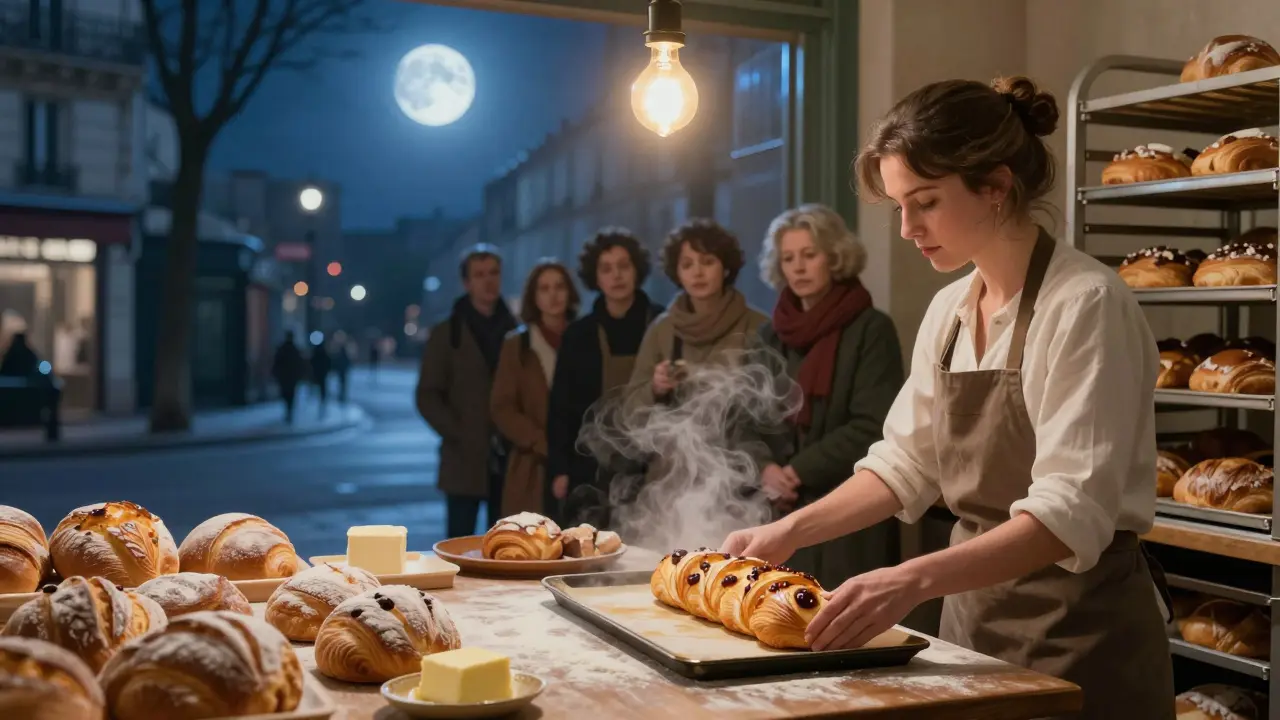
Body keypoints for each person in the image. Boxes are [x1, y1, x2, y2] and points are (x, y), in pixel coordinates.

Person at [721, 76, 1174, 719]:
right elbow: (905, 464)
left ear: (995, 186)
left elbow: (1066, 515)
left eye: (925, 202)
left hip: (1081, 642)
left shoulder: (1085, 306)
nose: (907, 228)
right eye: (900, 205)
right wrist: (787, 531)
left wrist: (909, 580)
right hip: (971, 636)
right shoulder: (951, 312)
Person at [752, 204, 905, 588]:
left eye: (809, 255)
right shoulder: (769, 337)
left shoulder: (871, 328)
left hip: (847, 511)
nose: (798, 268)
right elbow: (745, 420)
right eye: (788, 258)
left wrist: (797, 471)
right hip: (776, 509)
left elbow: (873, 424)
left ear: (834, 257)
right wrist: (766, 468)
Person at [546, 229, 657, 527]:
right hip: (590, 466)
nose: (616, 275)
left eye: (624, 266)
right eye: (606, 268)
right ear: (595, 277)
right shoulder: (578, 335)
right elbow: (561, 407)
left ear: (637, 270)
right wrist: (560, 468)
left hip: (652, 464)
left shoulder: (660, 323)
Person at [416, 244, 518, 538]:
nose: (489, 281)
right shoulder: (447, 333)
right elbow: (427, 394)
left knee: (508, 545)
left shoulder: (516, 329)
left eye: (494, 273)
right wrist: (458, 432)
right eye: (480, 274)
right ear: (467, 282)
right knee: (459, 545)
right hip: (463, 459)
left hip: (508, 458)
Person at [491, 261, 580, 516]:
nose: (553, 295)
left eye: (559, 287)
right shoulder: (518, 344)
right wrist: (538, 440)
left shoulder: (583, 336)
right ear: (534, 296)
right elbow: (502, 406)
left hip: (577, 458)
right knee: (533, 542)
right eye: (544, 288)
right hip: (532, 461)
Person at [270, 331, 305, 423]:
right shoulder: (293, 349)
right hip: (289, 376)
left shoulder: (284, 349)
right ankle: (289, 411)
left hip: (286, 376)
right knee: (290, 394)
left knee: (287, 394)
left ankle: (288, 411)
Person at [309, 340, 332, 411]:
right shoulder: (324, 352)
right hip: (322, 372)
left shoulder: (315, 352)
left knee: (317, 386)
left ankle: (317, 400)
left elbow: (312, 361)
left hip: (317, 372)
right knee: (322, 386)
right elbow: (328, 361)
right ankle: (322, 399)